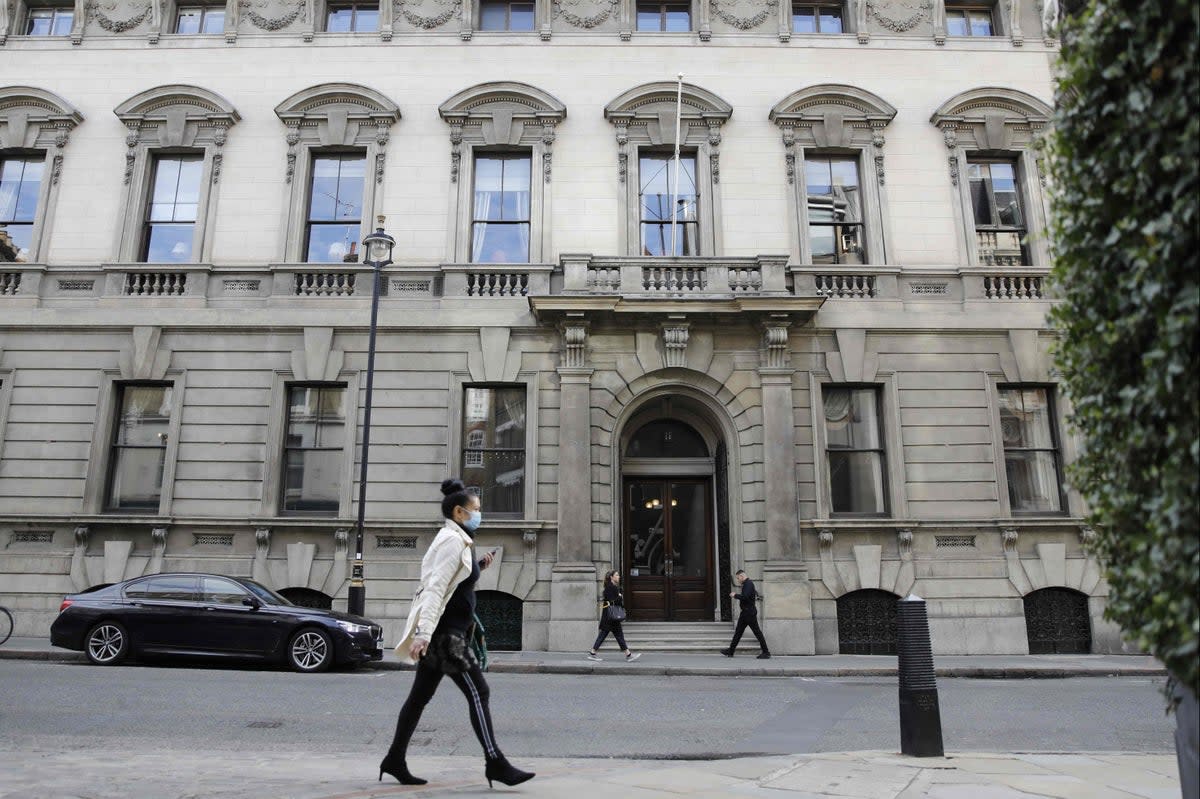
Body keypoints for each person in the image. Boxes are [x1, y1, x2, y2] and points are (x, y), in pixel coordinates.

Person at [381, 479, 535, 789]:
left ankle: (395, 759)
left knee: (417, 700)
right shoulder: (452, 540)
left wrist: (478, 566)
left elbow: (453, 579)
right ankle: (496, 763)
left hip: (443, 634)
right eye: (476, 509)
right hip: (445, 638)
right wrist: (423, 634)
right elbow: (435, 588)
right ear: (459, 512)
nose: (481, 514)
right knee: (479, 692)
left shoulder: (458, 539)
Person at [586, 570, 641, 662]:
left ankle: (628, 654)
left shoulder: (610, 587)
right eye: (617, 575)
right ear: (611, 577)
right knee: (613, 635)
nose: (619, 576)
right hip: (611, 616)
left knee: (612, 634)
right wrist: (620, 596)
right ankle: (628, 655)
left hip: (609, 615)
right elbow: (614, 601)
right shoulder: (612, 588)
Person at [720, 569, 771, 659]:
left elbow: (745, 597)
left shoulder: (748, 584)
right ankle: (730, 651)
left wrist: (735, 595)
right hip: (745, 613)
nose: (738, 580)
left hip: (749, 613)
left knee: (757, 632)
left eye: (738, 578)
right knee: (738, 632)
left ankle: (766, 652)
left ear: (742, 576)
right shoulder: (748, 584)